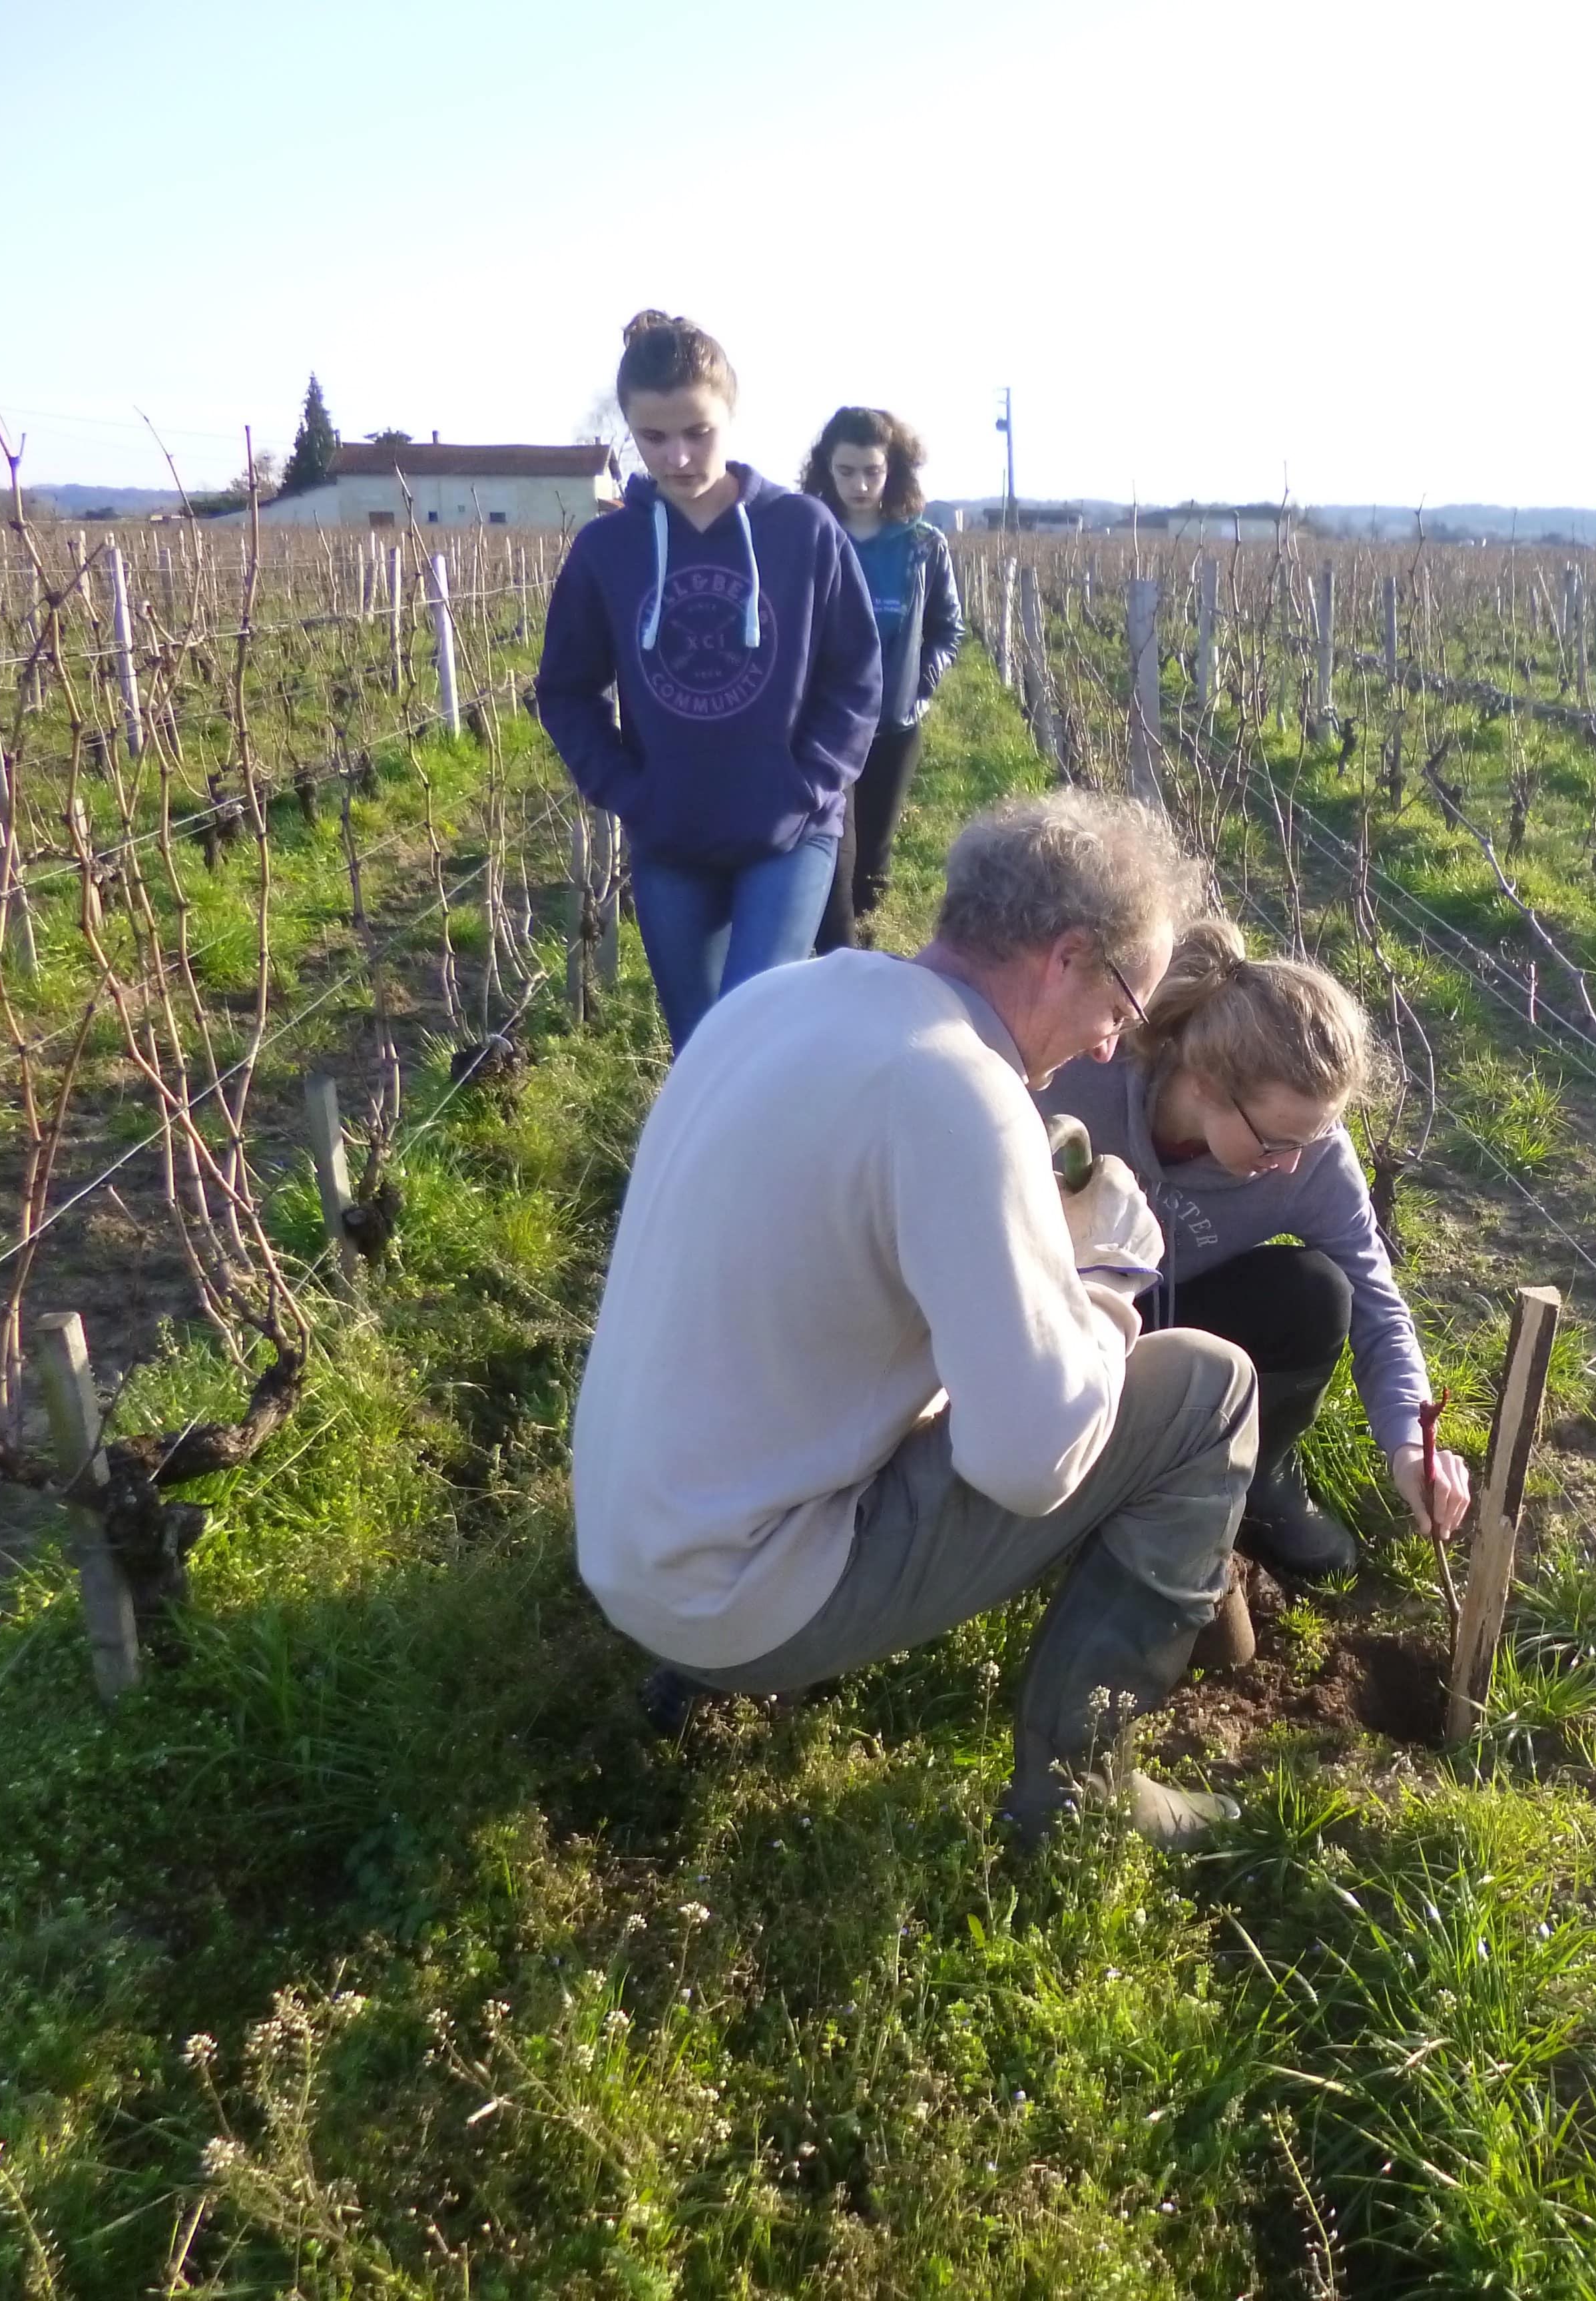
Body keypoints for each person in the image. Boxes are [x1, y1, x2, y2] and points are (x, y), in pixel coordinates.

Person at [573, 793, 1255, 1847]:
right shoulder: (957, 1092)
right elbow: (1032, 1459)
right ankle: (1082, 1792)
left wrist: (1023, 1225)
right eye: (1123, 1004)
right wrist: (1109, 1271)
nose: (1116, 1046)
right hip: (737, 1601)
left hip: (634, 1543)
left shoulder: (785, 997)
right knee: (1210, 1385)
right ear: (1067, 955)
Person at [1035, 918, 1472, 1586]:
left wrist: (1412, 1443)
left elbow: (1378, 1303)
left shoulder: (1310, 1158)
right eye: (1276, 1141)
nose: (1294, 1164)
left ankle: (1250, 1472)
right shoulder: (1084, 1076)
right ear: (1206, 1083)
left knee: (1316, 1294)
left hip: (1172, 1318)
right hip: (1050, 1308)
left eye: (1315, 1136)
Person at [535, 312, 882, 1051]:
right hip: (671, 839)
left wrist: (808, 785)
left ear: (732, 415)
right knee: (699, 1047)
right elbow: (567, 689)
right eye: (654, 437)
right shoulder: (608, 550)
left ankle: (794, 1161)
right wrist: (630, 792)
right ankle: (717, 1165)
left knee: (753, 1034)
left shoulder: (804, 530)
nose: (679, 455)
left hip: (788, 834)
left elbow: (855, 677)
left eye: (698, 431)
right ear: (630, 429)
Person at [796, 408, 965, 954]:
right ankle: (833, 958)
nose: (860, 485)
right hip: (823, 721)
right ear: (827, 470)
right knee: (831, 842)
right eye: (846, 471)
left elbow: (948, 628)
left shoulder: (922, 545)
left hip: (893, 724)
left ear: (893, 471)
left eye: (872, 471)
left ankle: (866, 948)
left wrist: (919, 688)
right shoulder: (809, 537)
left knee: (873, 850)